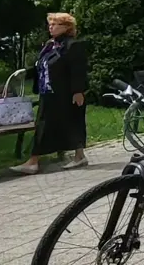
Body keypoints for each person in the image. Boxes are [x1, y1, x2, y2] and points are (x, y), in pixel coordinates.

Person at [13, 12, 88, 176]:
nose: (51, 27)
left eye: (55, 24)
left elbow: (78, 70)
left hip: (66, 93)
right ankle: (76, 155)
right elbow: (43, 66)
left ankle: (35, 161)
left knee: (71, 121)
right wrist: (26, 73)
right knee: (45, 124)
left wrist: (78, 91)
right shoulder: (50, 45)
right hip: (48, 92)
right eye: (50, 24)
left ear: (67, 28)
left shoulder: (73, 45)